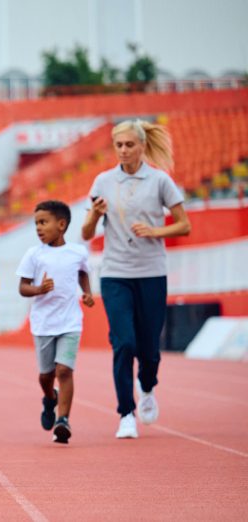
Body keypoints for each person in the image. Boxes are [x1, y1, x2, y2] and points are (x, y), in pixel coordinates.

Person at [81, 119, 190, 439]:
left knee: (149, 348)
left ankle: (147, 386)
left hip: (152, 272)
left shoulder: (159, 181)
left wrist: (156, 230)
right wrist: (94, 215)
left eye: (130, 145)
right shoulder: (103, 181)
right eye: (119, 145)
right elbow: (86, 234)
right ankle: (125, 413)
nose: (124, 150)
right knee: (123, 342)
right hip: (116, 273)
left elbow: (184, 225)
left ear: (142, 146)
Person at [17, 200, 95, 444]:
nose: (39, 228)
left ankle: (63, 420)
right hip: (43, 323)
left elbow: (83, 272)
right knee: (45, 376)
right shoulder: (34, 255)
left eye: (43, 222)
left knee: (64, 370)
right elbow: (22, 288)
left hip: (70, 321)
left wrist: (87, 292)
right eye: (36, 223)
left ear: (61, 224)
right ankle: (50, 398)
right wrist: (39, 289)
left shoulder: (77, 252)